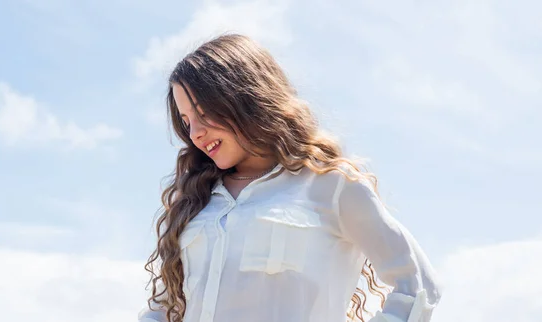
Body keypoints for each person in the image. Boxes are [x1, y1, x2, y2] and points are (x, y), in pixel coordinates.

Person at [139, 34, 442, 322]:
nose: (195, 134)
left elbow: (418, 285)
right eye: (186, 122)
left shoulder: (331, 185)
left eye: (203, 113)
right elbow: (162, 309)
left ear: (245, 97)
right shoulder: (194, 202)